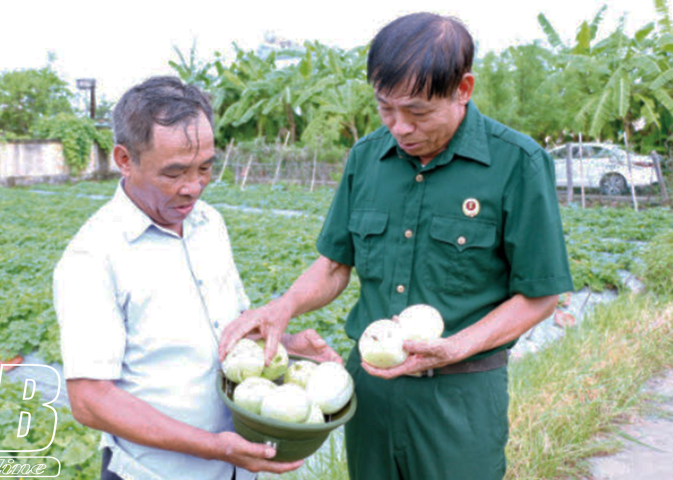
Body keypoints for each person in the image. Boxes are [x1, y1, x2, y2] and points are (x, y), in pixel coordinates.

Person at [219, 13, 574, 480]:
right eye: (386, 108)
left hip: (460, 397)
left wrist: (454, 347)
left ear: (463, 89)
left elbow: (540, 296)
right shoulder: (367, 157)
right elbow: (334, 265)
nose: (400, 127)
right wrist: (282, 307)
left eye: (418, 112)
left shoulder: (517, 163)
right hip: (370, 391)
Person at [53, 76, 340, 480]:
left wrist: (285, 348)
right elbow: (90, 400)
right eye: (174, 173)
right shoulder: (93, 256)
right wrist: (216, 447)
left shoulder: (209, 224)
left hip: (236, 471)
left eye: (205, 168)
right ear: (124, 159)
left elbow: (228, 331)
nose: (193, 187)